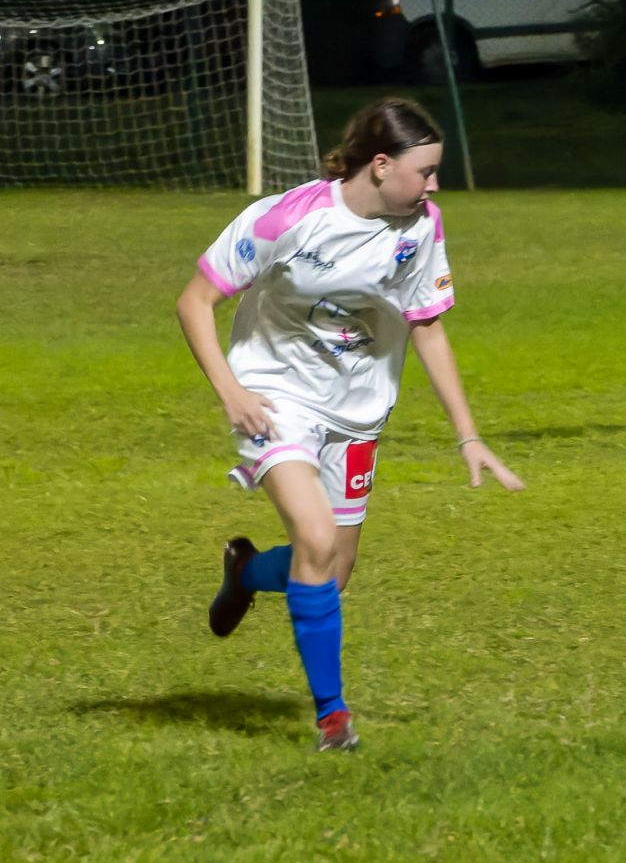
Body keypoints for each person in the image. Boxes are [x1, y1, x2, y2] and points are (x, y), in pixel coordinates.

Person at [176, 96, 524, 752]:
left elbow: (427, 327)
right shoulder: (286, 218)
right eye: (424, 172)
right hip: (274, 399)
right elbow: (194, 302)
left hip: (357, 411)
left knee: (331, 571)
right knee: (313, 535)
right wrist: (230, 392)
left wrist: (468, 435)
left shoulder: (421, 226)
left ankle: (245, 571)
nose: (434, 184)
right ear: (381, 164)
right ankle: (333, 719)